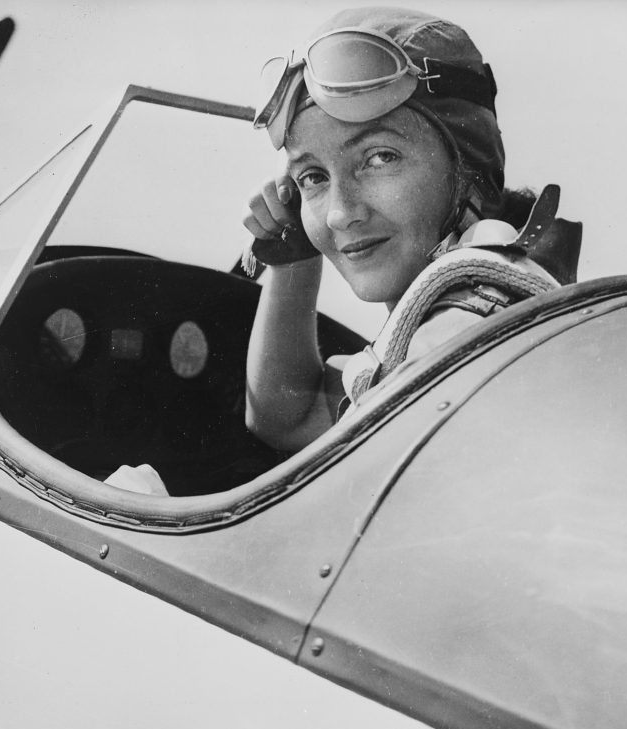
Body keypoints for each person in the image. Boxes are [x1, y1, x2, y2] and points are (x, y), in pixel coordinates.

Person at [242, 6, 579, 453]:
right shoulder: (472, 312)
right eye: (313, 178)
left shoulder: (462, 338)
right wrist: (294, 254)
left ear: (468, 168)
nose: (340, 215)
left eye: (379, 158)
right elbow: (289, 417)